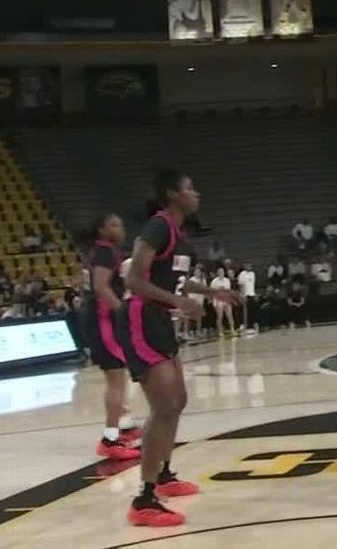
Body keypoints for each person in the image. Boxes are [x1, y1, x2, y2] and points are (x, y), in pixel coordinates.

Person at [117, 168, 241, 526]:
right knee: (164, 406)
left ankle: (165, 475)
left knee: (178, 402)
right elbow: (134, 279)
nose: (197, 193)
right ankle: (143, 499)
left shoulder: (179, 235)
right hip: (141, 316)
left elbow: (177, 280)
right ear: (173, 194)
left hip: (158, 318)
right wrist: (176, 300)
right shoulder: (157, 227)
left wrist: (211, 292)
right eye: (191, 188)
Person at [81, 213, 141, 461]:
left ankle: (121, 429)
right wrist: (122, 311)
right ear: (102, 230)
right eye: (115, 225)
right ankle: (110, 439)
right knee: (116, 380)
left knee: (118, 378)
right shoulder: (105, 251)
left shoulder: (101, 250)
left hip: (98, 318)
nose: (121, 229)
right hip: (101, 319)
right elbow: (101, 287)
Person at [210, 267, 237, 337]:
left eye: (222, 272)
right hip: (218, 300)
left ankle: (232, 329)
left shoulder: (227, 280)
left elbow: (227, 290)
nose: (221, 273)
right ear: (217, 273)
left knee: (230, 315)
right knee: (220, 315)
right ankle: (220, 331)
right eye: (219, 272)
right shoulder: (214, 281)